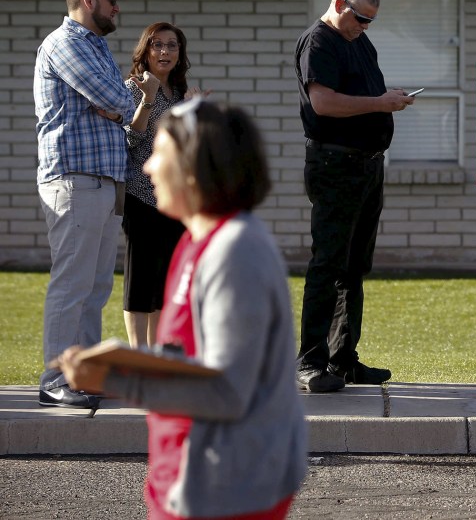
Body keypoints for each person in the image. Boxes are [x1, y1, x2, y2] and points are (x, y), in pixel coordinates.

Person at [54, 99, 308, 519]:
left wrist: (118, 378)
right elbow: (188, 358)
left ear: (194, 168)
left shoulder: (236, 251)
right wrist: (123, 358)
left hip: (229, 489)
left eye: (160, 154)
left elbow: (228, 392)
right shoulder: (195, 241)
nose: (148, 168)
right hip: (191, 477)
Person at [34, 0, 158, 409]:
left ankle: (80, 373)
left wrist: (116, 105)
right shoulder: (65, 43)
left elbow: (119, 102)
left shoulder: (97, 47)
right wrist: (117, 104)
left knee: (95, 285)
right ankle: (55, 377)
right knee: (72, 283)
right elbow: (125, 101)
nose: (117, 7)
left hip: (105, 181)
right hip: (74, 179)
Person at [294, 0, 414, 392]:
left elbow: (365, 96)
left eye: (371, 21)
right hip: (335, 165)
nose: (365, 27)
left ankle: (344, 359)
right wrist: (380, 104)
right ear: (340, 5)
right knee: (327, 264)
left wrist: (388, 98)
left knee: (354, 268)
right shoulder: (320, 42)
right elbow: (323, 103)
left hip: (366, 166)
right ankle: (310, 362)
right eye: (361, 18)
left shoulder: (358, 42)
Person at [121, 22, 204, 348]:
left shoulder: (181, 93)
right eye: (157, 45)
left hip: (174, 199)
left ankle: (157, 354)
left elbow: (189, 146)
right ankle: (137, 353)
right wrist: (148, 98)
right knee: (140, 279)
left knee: (164, 281)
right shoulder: (132, 88)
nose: (165, 52)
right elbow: (131, 137)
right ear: (146, 50)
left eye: (172, 45)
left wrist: (196, 110)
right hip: (140, 195)